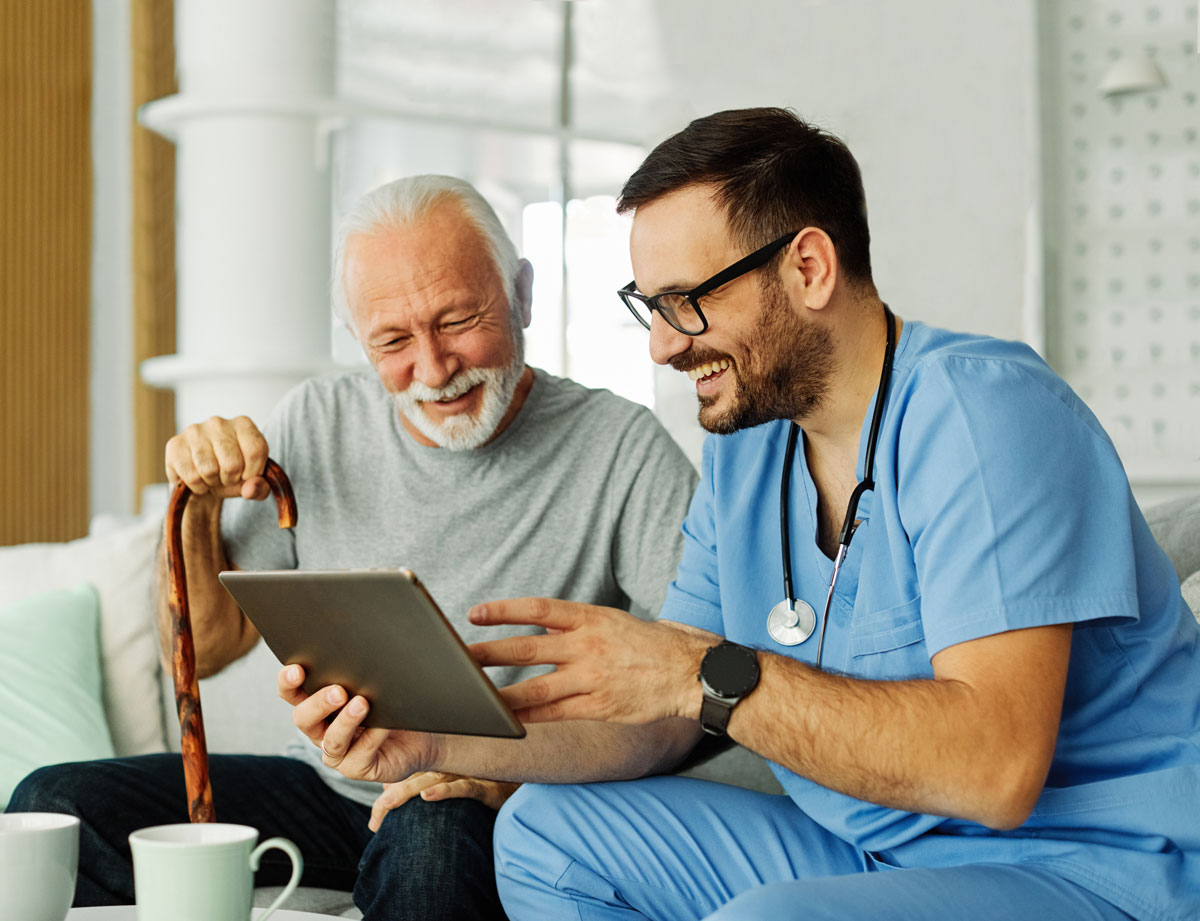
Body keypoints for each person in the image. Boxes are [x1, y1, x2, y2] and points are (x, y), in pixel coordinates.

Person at [291, 110, 1200, 921]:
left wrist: (700, 669)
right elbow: (664, 714)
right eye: (649, 308)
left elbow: (995, 770)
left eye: (687, 302)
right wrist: (437, 741)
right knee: (544, 833)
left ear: (807, 267)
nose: (660, 345)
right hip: (868, 845)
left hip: (1082, 866)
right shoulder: (749, 445)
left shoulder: (986, 415)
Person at [7, 175, 699, 921]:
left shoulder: (622, 447)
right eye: (394, 341)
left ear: (522, 295)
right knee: (53, 800)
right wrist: (200, 504)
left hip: (491, 795)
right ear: (360, 340)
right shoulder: (317, 418)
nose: (434, 370)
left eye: (460, 319)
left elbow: (697, 694)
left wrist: (515, 777)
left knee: (433, 828)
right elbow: (204, 649)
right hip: (330, 786)